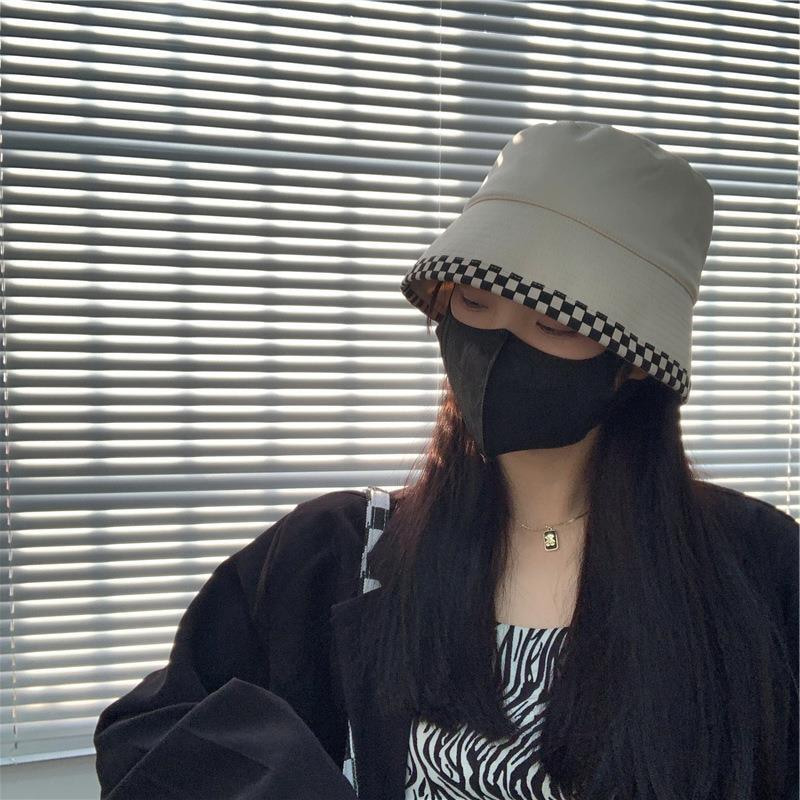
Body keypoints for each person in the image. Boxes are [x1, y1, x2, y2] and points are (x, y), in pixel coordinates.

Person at [94, 121, 798, 800]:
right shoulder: (329, 554)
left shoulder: (757, 566)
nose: (496, 348)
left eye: (551, 323)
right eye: (476, 304)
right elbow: (154, 733)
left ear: (635, 361)